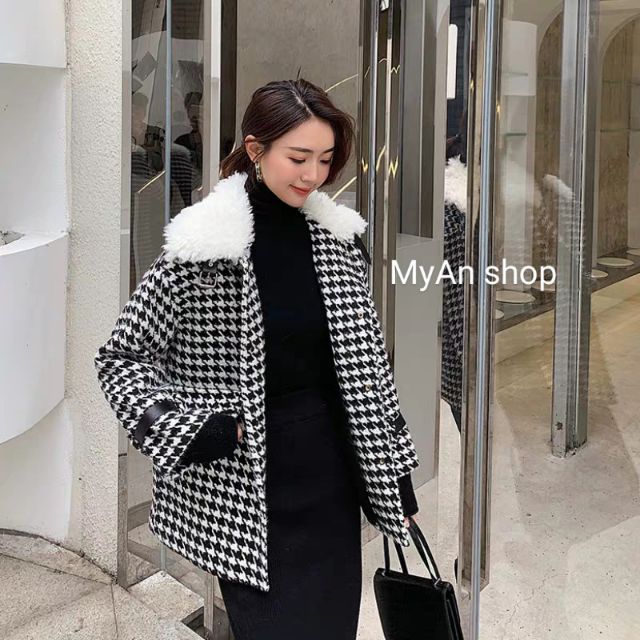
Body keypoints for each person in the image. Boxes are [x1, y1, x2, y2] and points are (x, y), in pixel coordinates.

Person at [94, 78, 420, 640]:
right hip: (247, 495)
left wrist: (396, 475)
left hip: (331, 485)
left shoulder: (338, 244)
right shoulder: (202, 250)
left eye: (325, 159)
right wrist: (193, 430)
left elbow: (370, 374)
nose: (313, 175)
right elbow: (121, 357)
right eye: (298, 157)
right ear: (255, 149)